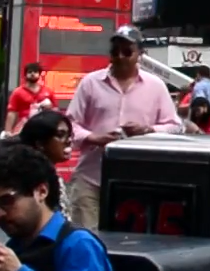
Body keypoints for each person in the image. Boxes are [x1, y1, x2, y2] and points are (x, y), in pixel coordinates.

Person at [65, 26, 183, 229]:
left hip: (137, 180)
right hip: (91, 177)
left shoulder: (156, 86)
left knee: (128, 241)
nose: (120, 57)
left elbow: (175, 126)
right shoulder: (90, 83)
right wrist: (93, 137)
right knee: (85, 238)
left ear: (140, 55)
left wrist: (148, 130)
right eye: (115, 51)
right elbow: (70, 125)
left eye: (127, 52)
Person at [5, 63, 55, 136]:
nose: (32, 74)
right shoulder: (17, 92)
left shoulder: (48, 91)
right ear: (25, 75)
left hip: (43, 127)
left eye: (35, 72)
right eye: (30, 72)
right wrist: (8, 131)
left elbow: (55, 111)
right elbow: (12, 113)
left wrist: (49, 107)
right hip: (23, 127)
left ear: (39, 74)